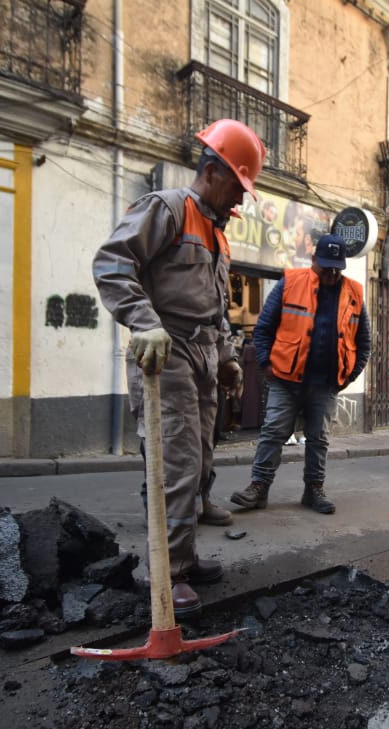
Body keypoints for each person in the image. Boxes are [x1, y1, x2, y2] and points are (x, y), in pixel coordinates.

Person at [92, 118, 264, 617]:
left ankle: (183, 559)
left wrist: (229, 358)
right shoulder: (166, 209)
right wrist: (143, 321)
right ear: (212, 171)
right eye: (237, 186)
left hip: (203, 354)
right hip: (163, 353)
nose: (239, 201)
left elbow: (215, 309)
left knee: (201, 461)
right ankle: (163, 573)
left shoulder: (217, 236)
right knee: (176, 463)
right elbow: (112, 263)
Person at [229, 234, 372, 515]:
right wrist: (265, 365)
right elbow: (264, 328)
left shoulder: (354, 292)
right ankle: (258, 487)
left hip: (326, 383)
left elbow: (364, 341)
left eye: (337, 266)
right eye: (326, 265)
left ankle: (314, 489)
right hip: (285, 378)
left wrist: (349, 376)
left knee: (318, 438)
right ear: (313, 259)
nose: (331, 272)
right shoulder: (291, 282)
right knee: (273, 433)